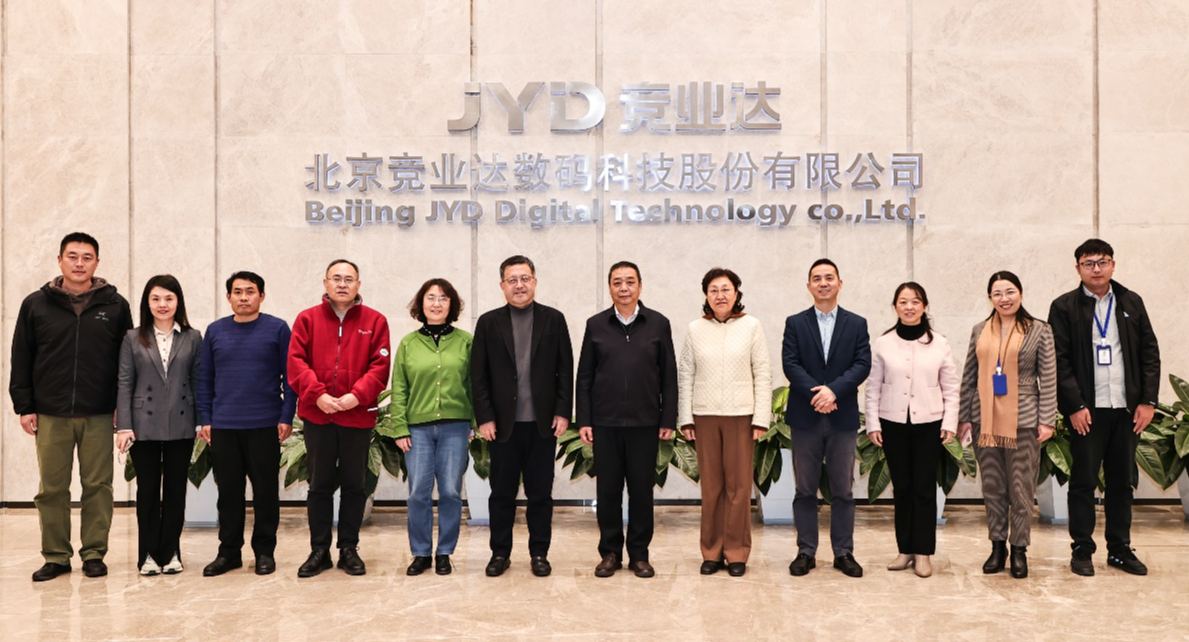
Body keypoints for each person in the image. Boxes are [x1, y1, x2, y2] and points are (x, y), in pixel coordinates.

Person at [9, 232, 134, 582]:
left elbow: (127, 362)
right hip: (51, 413)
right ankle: (56, 556)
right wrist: (25, 406)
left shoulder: (116, 305)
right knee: (51, 489)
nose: (79, 263)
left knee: (98, 486)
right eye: (73, 256)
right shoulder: (35, 304)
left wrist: (122, 407)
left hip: (99, 413)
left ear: (97, 262)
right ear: (60, 260)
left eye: (87, 257)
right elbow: (22, 356)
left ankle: (94, 553)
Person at [1048, 239, 1160, 577]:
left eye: (1102, 262)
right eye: (1088, 263)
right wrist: (1074, 405)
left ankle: (1119, 549)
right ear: (1078, 268)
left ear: (1113, 264)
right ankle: (1082, 548)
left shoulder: (1131, 301)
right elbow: (1059, 361)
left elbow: (1149, 354)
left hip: (1126, 409)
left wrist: (1148, 401)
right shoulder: (1064, 307)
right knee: (1083, 481)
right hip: (1088, 411)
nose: (1096, 269)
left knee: (1121, 483)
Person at [472, 255, 574, 578]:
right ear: (502, 285)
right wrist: (484, 416)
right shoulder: (488, 323)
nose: (519, 285)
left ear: (534, 282)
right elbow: (479, 375)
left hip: (543, 424)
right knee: (501, 493)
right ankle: (500, 553)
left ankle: (539, 553)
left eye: (525, 278)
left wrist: (563, 411)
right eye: (512, 279)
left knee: (540, 494)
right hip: (502, 426)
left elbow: (565, 369)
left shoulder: (553, 319)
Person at [289, 259, 391, 578]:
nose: (342, 284)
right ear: (325, 283)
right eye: (336, 278)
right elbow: (296, 362)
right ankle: (319, 550)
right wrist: (318, 395)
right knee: (319, 485)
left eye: (349, 279)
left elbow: (380, 367)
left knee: (354, 485)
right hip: (318, 416)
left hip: (356, 416)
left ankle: (349, 548)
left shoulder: (376, 321)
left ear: (358, 284)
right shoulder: (307, 319)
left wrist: (356, 396)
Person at [577, 261, 678, 579]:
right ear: (610, 287)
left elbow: (669, 376)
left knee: (641, 493)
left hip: (644, 423)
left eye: (630, 282)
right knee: (607, 492)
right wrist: (585, 420)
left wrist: (668, 418)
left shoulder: (658, 323)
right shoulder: (596, 325)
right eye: (617, 282)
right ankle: (609, 553)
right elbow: (585, 376)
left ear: (640, 286)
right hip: (605, 423)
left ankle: (639, 555)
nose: (624, 288)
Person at [196, 271, 296, 577]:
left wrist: (286, 416)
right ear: (228, 297)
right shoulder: (215, 331)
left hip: (265, 424)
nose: (243, 297)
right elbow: (205, 379)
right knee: (228, 494)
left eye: (250, 291)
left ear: (261, 296)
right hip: (224, 425)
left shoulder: (278, 328)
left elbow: (291, 378)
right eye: (237, 292)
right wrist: (205, 419)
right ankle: (229, 553)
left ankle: (264, 552)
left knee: (266, 493)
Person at [957, 271, 1056, 579]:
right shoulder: (979, 330)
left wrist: (1047, 419)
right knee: (992, 486)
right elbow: (969, 376)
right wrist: (964, 417)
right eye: (997, 293)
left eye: (1010, 291)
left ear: (1021, 294)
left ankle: (1019, 549)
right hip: (984, 418)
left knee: (1021, 488)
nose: (1004, 298)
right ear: (990, 298)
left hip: (1023, 419)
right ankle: (997, 546)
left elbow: (1048, 378)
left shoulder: (1040, 330)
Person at [678, 268, 770, 577]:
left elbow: (763, 372)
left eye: (726, 289)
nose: (720, 295)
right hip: (704, 416)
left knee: (739, 488)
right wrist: (686, 417)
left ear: (736, 293)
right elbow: (686, 374)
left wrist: (761, 418)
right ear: (706, 295)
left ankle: (737, 552)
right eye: (713, 290)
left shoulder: (752, 326)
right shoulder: (695, 329)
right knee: (712, 487)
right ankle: (712, 552)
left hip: (741, 416)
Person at [782, 258, 870, 579]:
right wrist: (817, 395)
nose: (823, 283)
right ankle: (806, 551)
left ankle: (843, 552)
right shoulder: (795, 323)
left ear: (839, 283)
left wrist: (833, 392)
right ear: (809, 286)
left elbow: (862, 364)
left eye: (829, 277)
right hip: (805, 416)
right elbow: (790, 364)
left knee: (843, 490)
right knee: (805, 489)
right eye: (817, 278)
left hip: (841, 415)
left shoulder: (856, 323)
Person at [864, 282, 959, 578]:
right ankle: (905, 549)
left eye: (915, 301)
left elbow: (951, 387)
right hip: (892, 423)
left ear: (925, 306)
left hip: (929, 424)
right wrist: (873, 423)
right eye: (903, 302)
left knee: (924, 489)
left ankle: (923, 553)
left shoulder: (940, 343)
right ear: (895, 307)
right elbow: (872, 388)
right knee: (902, 488)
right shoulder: (883, 343)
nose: (909, 307)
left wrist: (950, 422)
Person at [116, 275, 203, 576]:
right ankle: (149, 555)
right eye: (156, 299)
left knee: (176, 491)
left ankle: (172, 552)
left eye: (169, 298)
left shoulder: (193, 337)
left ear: (178, 302)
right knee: (148, 491)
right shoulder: (132, 337)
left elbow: (199, 382)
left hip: (182, 421)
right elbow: (124, 383)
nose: (162, 304)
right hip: (143, 424)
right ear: (147, 303)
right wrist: (123, 426)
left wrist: (202, 422)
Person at [390, 278, 473, 577]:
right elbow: (399, 388)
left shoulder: (466, 341)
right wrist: (399, 427)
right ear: (421, 303)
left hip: (455, 427)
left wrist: (474, 422)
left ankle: (445, 552)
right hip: (417, 430)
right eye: (431, 297)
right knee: (417, 493)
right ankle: (421, 553)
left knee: (450, 492)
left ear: (452, 305)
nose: (436, 303)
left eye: (443, 298)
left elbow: (476, 384)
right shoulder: (408, 344)